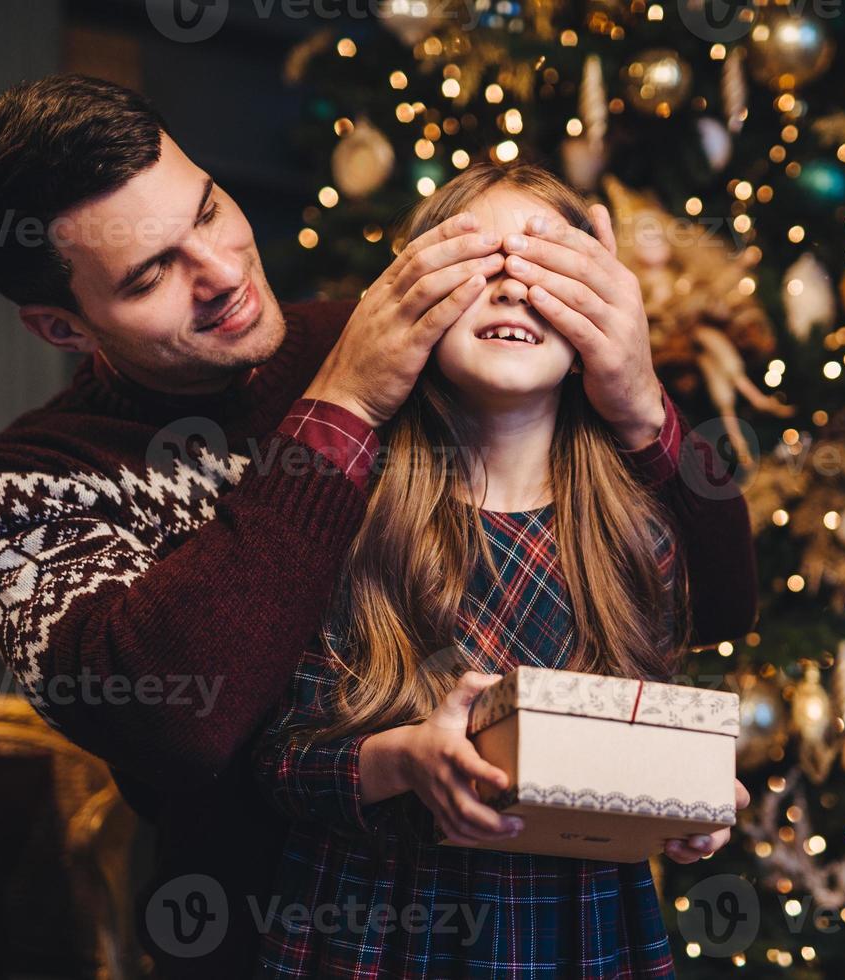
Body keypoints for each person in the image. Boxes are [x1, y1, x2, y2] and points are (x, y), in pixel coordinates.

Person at [0, 74, 756, 976]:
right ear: (62, 326)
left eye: (208, 212)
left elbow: (716, 599)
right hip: (275, 939)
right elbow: (179, 725)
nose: (220, 274)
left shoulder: (412, 337)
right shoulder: (17, 485)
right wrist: (344, 405)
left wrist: (641, 402)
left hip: (553, 915)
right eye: (150, 274)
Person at [252, 163, 745, 978]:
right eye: (482, 266)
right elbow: (275, 763)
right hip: (377, 928)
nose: (515, 290)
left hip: (580, 931)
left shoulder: (638, 533)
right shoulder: (346, 511)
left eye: (550, 270)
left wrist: (689, 803)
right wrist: (405, 758)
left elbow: (644, 739)